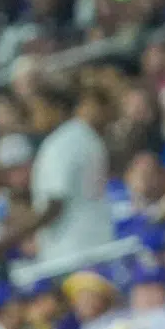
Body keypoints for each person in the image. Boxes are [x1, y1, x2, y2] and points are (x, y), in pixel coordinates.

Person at [30, 84, 115, 267]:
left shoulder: (60, 143)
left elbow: (54, 206)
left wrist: (4, 240)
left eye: (39, 109)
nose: (34, 117)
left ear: (58, 109)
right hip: (98, 242)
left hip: (70, 252)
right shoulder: (88, 136)